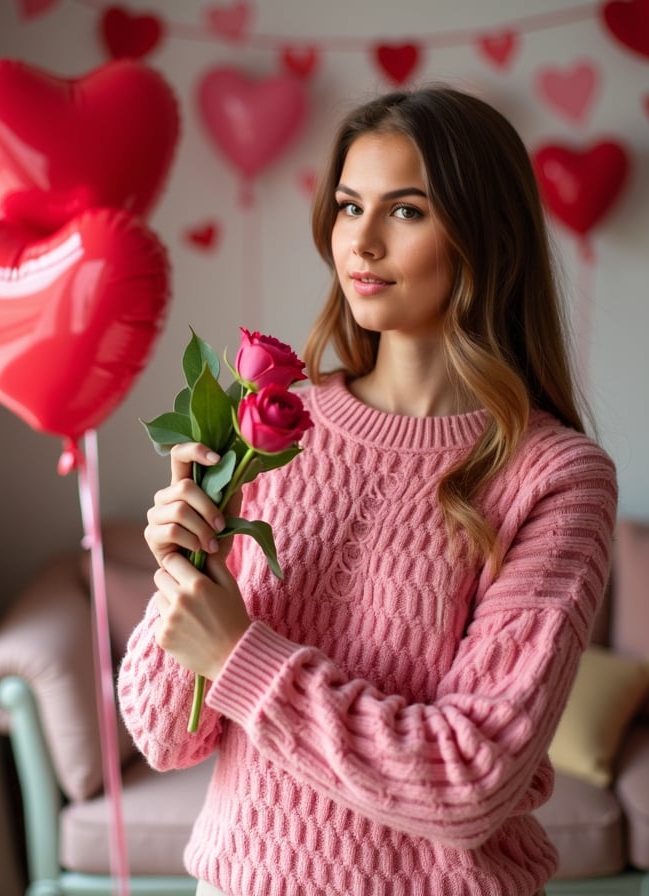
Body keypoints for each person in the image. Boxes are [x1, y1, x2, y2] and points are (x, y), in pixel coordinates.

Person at [117, 84, 618, 896]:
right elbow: (163, 737)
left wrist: (239, 655)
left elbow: (470, 779)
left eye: (407, 211)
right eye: (350, 207)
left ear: (487, 237)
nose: (364, 242)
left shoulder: (557, 479)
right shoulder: (270, 426)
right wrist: (186, 570)